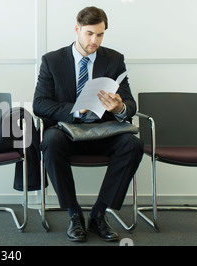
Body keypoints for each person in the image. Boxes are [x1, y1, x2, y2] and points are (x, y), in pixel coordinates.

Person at [33, 6, 143, 242]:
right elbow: (39, 104)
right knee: (50, 140)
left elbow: (130, 103)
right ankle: (74, 214)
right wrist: (75, 108)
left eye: (100, 34)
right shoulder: (52, 61)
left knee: (133, 144)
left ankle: (99, 213)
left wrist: (119, 108)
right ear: (77, 29)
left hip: (103, 132)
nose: (94, 41)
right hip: (68, 133)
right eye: (89, 33)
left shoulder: (114, 60)